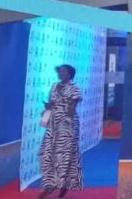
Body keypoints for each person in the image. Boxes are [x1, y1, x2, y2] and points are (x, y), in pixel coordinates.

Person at [38, 64, 84, 198]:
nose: (61, 73)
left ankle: (63, 186)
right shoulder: (54, 86)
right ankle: (50, 184)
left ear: (70, 74)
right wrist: (48, 106)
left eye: (64, 71)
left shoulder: (74, 88)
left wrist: (67, 123)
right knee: (46, 153)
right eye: (60, 71)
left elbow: (72, 108)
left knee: (64, 155)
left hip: (67, 125)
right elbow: (52, 103)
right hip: (53, 124)